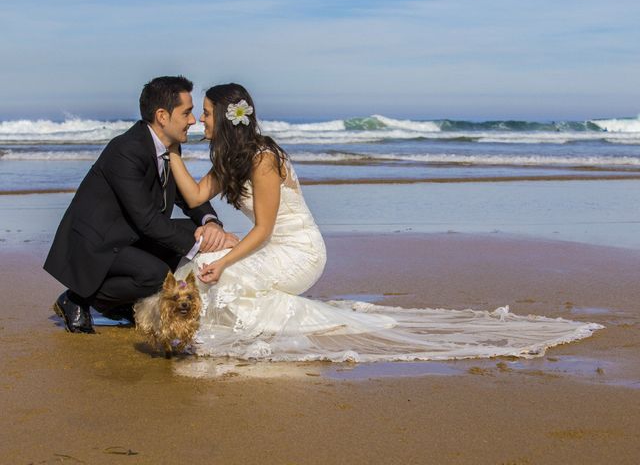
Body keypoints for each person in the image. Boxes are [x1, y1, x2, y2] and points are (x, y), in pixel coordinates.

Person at [171, 83, 602, 362]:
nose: (200, 120)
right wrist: (171, 146)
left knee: (219, 273)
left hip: (297, 252)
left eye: (205, 113)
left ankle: (314, 321)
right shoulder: (230, 159)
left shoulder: (263, 158)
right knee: (202, 268)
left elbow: (264, 230)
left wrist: (226, 262)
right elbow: (193, 195)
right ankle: (297, 317)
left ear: (227, 118)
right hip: (268, 246)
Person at [44, 76, 237, 334]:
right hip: (97, 243)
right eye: (187, 113)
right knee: (157, 274)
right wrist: (202, 244)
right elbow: (146, 220)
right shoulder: (127, 150)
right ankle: (78, 298)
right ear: (162, 116)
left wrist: (209, 223)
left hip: (127, 235)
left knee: (187, 236)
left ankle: (118, 299)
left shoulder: (168, 148)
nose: (193, 121)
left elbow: (188, 196)